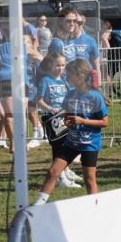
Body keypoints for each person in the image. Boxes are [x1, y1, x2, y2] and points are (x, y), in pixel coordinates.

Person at [34, 59, 108, 204]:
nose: (66, 78)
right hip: (71, 142)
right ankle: (38, 206)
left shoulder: (95, 97)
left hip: (89, 144)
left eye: (69, 75)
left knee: (89, 179)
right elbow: (67, 114)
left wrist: (83, 121)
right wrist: (65, 121)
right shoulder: (70, 94)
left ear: (80, 76)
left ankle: (96, 210)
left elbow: (104, 122)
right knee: (53, 172)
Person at [0, 28, 42, 153]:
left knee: (9, 114)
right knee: (20, 114)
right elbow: (40, 57)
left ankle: (13, 143)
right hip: (21, 80)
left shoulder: (1, 47)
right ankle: (20, 143)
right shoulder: (24, 47)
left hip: (4, 79)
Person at [36, 53, 80, 189]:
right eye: (57, 65)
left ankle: (66, 171)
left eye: (62, 65)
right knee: (59, 147)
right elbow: (39, 99)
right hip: (52, 118)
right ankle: (60, 178)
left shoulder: (64, 81)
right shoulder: (45, 81)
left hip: (65, 116)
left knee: (68, 145)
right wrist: (50, 108)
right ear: (50, 65)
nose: (60, 68)